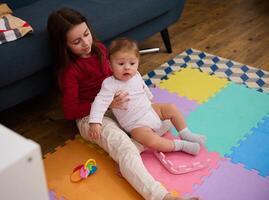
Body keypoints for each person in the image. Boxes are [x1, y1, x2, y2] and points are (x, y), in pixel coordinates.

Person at [47, 7, 200, 200]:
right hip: (92, 119)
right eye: (77, 41)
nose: (86, 43)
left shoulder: (101, 49)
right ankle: (163, 196)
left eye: (86, 34)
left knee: (165, 120)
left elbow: (116, 80)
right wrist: (108, 106)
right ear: (64, 45)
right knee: (127, 148)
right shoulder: (69, 71)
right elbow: (70, 111)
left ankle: (129, 149)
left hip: (119, 107)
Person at [89, 38, 206, 156]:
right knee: (152, 141)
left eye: (132, 63)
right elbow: (99, 102)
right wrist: (95, 122)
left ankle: (186, 134)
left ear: (138, 62)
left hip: (149, 109)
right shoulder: (109, 84)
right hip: (135, 124)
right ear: (110, 65)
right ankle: (180, 145)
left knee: (171, 108)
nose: (127, 67)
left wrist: (150, 98)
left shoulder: (136, 75)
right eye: (120, 64)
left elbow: (143, 87)